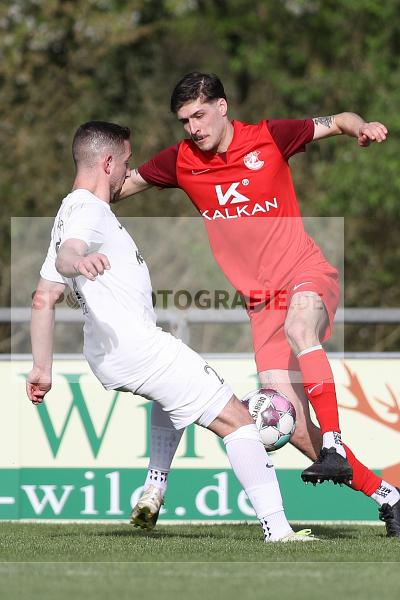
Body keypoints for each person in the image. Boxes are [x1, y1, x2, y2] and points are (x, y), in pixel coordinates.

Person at [118, 72, 400, 536]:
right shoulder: (179, 161)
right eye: (184, 120)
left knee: (302, 330)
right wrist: (86, 194)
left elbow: (338, 119)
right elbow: (121, 188)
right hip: (261, 305)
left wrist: (362, 127)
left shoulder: (269, 137)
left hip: (305, 272)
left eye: (199, 115)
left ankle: (335, 443)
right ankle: (388, 495)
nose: (193, 127)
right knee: (292, 426)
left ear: (221, 106)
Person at [26, 121, 313, 543]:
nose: (128, 172)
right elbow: (71, 255)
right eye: (125, 163)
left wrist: (41, 368)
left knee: (174, 396)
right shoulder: (88, 210)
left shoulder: (66, 212)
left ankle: (154, 487)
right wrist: (77, 262)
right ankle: (278, 530)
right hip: (139, 347)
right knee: (239, 423)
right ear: (107, 163)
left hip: (108, 353)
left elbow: (42, 298)